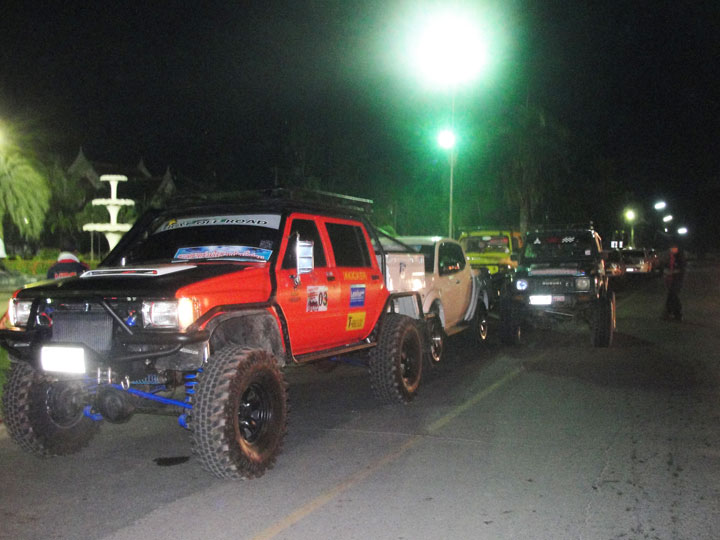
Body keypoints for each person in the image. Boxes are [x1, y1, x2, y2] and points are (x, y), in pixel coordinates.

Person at [662, 243, 686, 321]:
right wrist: (666, 272)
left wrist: (672, 272)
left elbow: (681, 269)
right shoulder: (671, 257)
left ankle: (676, 313)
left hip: (677, 279)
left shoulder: (679, 257)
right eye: (671, 249)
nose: (671, 250)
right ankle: (670, 312)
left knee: (673, 295)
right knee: (671, 296)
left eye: (673, 248)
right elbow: (666, 266)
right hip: (670, 279)